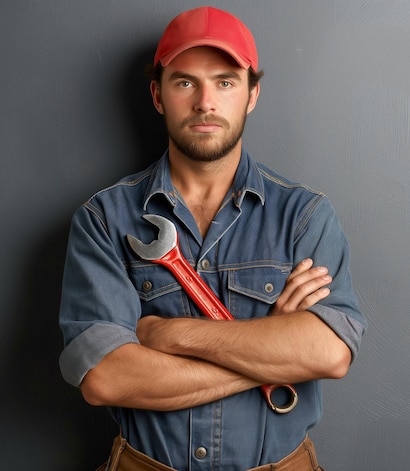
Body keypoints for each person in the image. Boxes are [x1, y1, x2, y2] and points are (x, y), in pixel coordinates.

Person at [58, 6, 366, 471]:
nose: (206, 102)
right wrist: (273, 349)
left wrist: (166, 333)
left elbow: (329, 351)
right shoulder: (104, 219)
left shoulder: (304, 216)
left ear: (252, 94)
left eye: (225, 82)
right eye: (185, 82)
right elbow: (107, 378)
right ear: (158, 96)